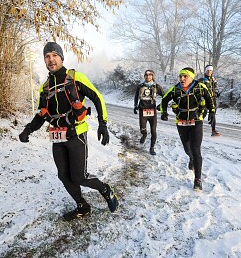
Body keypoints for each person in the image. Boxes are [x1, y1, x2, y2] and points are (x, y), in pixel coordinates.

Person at [18, 42, 118, 221]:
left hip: (76, 134)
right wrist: (28, 129)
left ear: (61, 57)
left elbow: (97, 97)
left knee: (79, 176)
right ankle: (83, 206)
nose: (51, 59)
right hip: (57, 136)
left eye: (54, 55)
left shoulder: (75, 77)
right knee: (64, 175)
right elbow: (42, 114)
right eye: (47, 56)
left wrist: (103, 124)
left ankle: (105, 189)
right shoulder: (45, 87)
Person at [160, 67, 215, 191]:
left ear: (191, 77)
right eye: (180, 76)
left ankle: (197, 180)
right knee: (187, 148)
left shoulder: (200, 87)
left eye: (185, 76)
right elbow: (164, 99)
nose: (182, 79)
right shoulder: (175, 89)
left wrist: (212, 112)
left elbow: (210, 98)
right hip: (181, 122)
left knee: (196, 150)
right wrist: (164, 112)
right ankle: (190, 158)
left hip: (196, 121)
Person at [134, 70, 165, 155]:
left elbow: (165, 96)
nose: (148, 77)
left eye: (150, 75)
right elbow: (136, 96)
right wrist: (135, 106)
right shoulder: (140, 86)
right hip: (142, 111)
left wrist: (161, 106)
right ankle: (144, 135)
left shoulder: (156, 86)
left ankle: (152, 148)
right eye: (146, 76)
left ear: (152, 76)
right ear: (144, 76)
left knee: (153, 131)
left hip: (152, 111)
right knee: (142, 129)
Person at [198, 65, 221, 136]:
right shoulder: (202, 80)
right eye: (208, 70)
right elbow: (198, 89)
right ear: (205, 71)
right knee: (203, 114)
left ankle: (213, 131)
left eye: (210, 70)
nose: (209, 72)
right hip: (205, 99)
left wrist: (217, 93)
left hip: (213, 99)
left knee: (213, 114)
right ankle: (196, 128)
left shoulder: (214, 80)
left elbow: (216, 87)